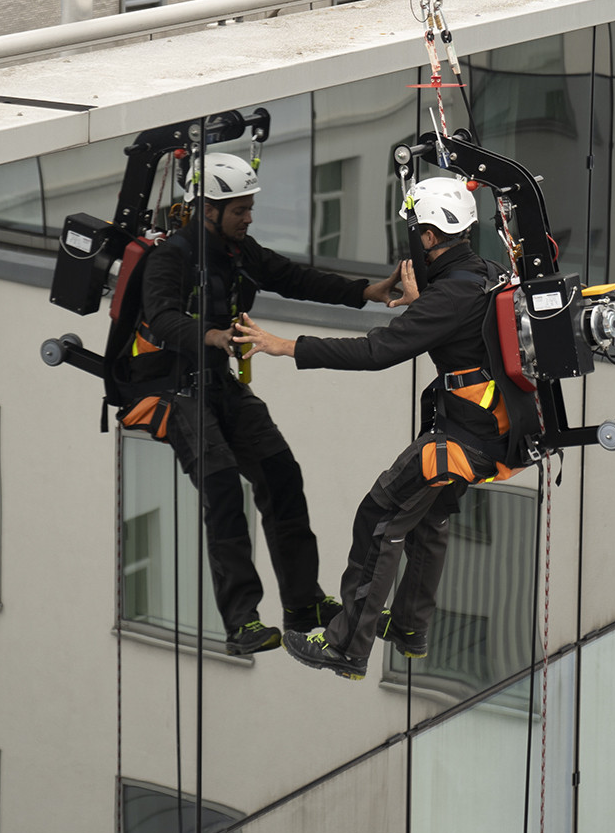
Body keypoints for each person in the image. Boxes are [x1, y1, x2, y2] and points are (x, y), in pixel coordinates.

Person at [132, 152, 413, 655]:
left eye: (249, 208)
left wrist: (367, 291)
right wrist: (214, 335)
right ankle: (242, 622)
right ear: (208, 209)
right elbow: (162, 317)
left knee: (281, 475)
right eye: (239, 209)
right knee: (222, 491)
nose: (249, 217)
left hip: (218, 382)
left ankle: (303, 603)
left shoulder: (240, 252)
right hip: (173, 387)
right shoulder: (170, 258)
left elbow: (296, 278)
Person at [233, 176, 509, 679]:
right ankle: (408, 627)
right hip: (492, 432)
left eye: (414, 232)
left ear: (428, 236)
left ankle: (346, 646)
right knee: (428, 516)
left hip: (464, 438)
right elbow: (461, 326)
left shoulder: (449, 295)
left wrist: (285, 346)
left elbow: (375, 351)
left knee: (380, 515)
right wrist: (421, 303)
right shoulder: (485, 273)